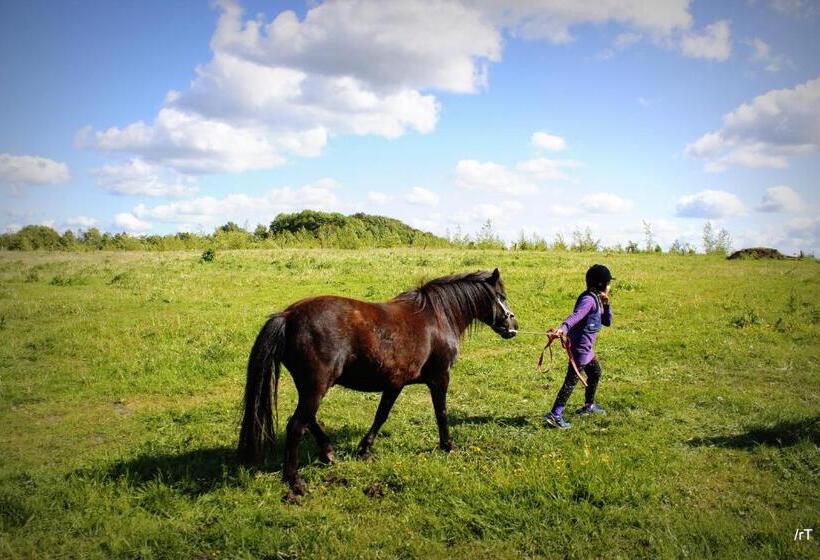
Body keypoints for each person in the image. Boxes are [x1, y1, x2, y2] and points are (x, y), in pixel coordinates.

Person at [543, 264, 613, 429]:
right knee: (571, 382)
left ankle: (589, 406)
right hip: (580, 350)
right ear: (602, 284)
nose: (610, 286)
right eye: (609, 283)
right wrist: (562, 329)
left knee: (595, 373)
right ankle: (555, 415)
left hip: (587, 349)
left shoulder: (598, 299)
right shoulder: (588, 300)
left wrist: (607, 305)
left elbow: (607, 322)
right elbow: (576, 316)